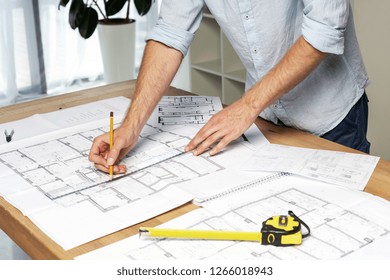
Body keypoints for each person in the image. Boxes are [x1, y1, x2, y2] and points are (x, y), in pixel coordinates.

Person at [88, 0, 370, 174]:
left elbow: (325, 28)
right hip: (266, 117)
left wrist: (246, 107)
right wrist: (130, 127)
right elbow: (170, 34)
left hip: (331, 117)